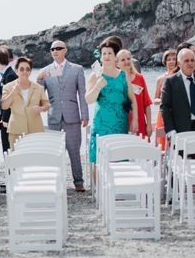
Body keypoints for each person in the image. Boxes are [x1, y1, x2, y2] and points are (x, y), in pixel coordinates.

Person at [36, 40, 90, 192]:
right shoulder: (45, 71)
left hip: (72, 116)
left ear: (65, 50)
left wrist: (85, 115)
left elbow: (82, 93)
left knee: (74, 151)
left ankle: (78, 182)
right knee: (54, 153)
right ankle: (55, 182)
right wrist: (39, 79)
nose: (55, 51)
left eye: (58, 48)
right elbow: (40, 94)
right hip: (53, 116)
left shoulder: (77, 69)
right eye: (52, 49)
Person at [85, 39, 138, 174]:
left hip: (120, 122)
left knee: (119, 157)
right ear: (101, 56)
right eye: (104, 53)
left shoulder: (123, 75)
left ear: (115, 57)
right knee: (99, 159)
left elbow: (132, 98)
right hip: (102, 123)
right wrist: (97, 87)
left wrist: (135, 119)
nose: (107, 56)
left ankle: (117, 191)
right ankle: (99, 193)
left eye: (110, 53)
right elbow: (88, 99)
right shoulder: (95, 75)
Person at [0, 57, 50, 149]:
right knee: (16, 160)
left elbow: (47, 104)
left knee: (35, 160)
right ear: (16, 71)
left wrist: (41, 108)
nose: (25, 72)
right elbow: (4, 106)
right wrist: (13, 92)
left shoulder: (38, 88)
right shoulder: (8, 87)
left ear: (30, 71)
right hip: (16, 130)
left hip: (36, 130)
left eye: (28, 69)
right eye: (21, 69)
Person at [117, 49, 152, 141]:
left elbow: (147, 104)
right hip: (121, 124)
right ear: (117, 63)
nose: (127, 61)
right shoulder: (116, 81)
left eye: (128, 59)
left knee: (141, 153)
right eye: (123, 60)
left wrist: (149, 124)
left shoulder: (140, 78)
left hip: (139, 124)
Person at [160, 48, 195, 135]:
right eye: (186, 61)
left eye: (192, 60)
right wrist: (170, 130)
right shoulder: (170, 81)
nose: (190, 63)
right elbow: (165, 107)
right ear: (179, 64)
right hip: (180, 129)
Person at [0, 46, 18, 152]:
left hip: (9, 121)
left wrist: (5, 119)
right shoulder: (7, 74)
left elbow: (11, 99)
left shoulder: (10, 75)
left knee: (8, 149)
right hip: (6, 119)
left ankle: (10, 168)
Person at [153, 49, 177, 149]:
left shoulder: (180, 77)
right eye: (168, 59)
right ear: (165, 62)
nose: (171, 61)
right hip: (163, 114)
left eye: (174, 59)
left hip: (177, 114)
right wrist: (165, 101)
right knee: (162, 143)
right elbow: (155, 100)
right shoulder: (160, 79)